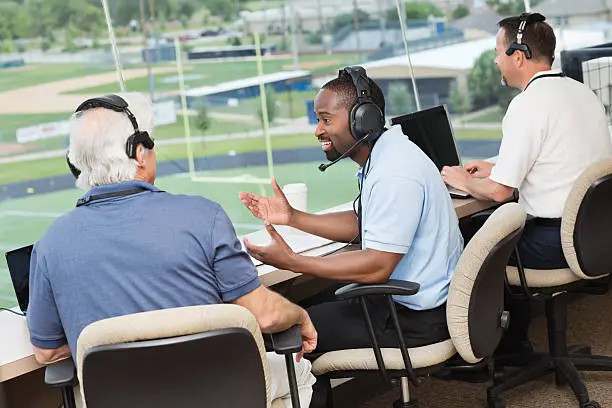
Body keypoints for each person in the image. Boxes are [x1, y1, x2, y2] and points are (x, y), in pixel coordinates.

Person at [26, 92, 317, 408]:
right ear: (139, 152)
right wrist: (299, 314)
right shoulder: (204, 216)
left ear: (76, 163)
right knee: (300, 375)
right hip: (217, 394)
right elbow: (265, 315)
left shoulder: (49, 245)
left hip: (119, 400)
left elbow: (47, 352)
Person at [240, 67, 463, 357]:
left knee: (286, 332)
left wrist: (295, 262)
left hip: (413, 319)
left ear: (362, 121)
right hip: (411, 302)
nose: (318, 130)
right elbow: (364, 224)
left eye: (326, 120)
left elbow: (377, 265)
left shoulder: (394, 173)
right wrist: (294, 217)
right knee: (306, 305)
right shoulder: (388, 154)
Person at [442, 13, 612, 353]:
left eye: (498, 51)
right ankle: (515, 345)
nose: (494, 60)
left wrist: (461, 178)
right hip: (597, 234)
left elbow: (501, 192)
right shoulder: (581, 93)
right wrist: (495, 167)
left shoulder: (527, 105)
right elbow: (561, 155)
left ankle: (503, 350)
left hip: (556, 242)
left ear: (517, 56)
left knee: (469, 239)